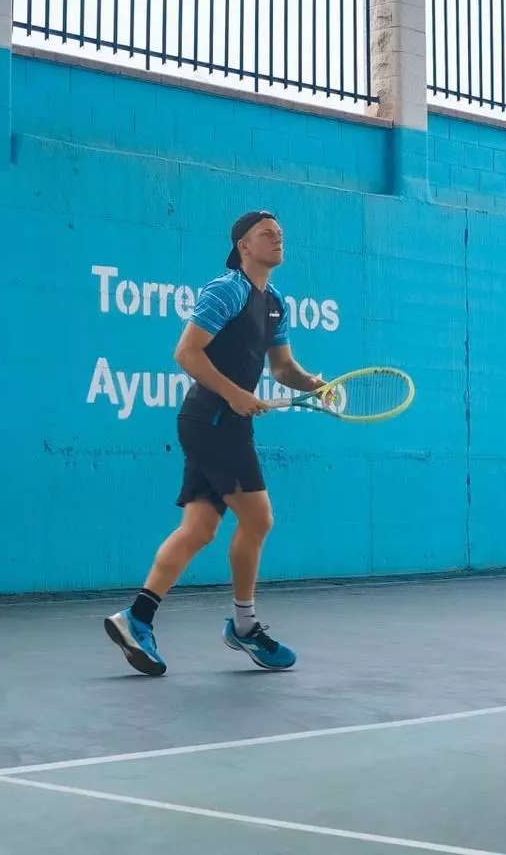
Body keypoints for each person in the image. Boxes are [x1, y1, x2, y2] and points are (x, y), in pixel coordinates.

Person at [104, 211, 327, 676]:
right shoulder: (226, 289)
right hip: (213, 418)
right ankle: (244, 626)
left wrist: (313, 385)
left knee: (200, 529)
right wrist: (235, 394)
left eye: (280, 233)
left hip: (219, 420)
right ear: (244, 245)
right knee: (259, 517)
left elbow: (283, 369)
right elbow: (186, 352)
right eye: (267, 233)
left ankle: (136, 618)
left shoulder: (275, 303)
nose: (277, 238)